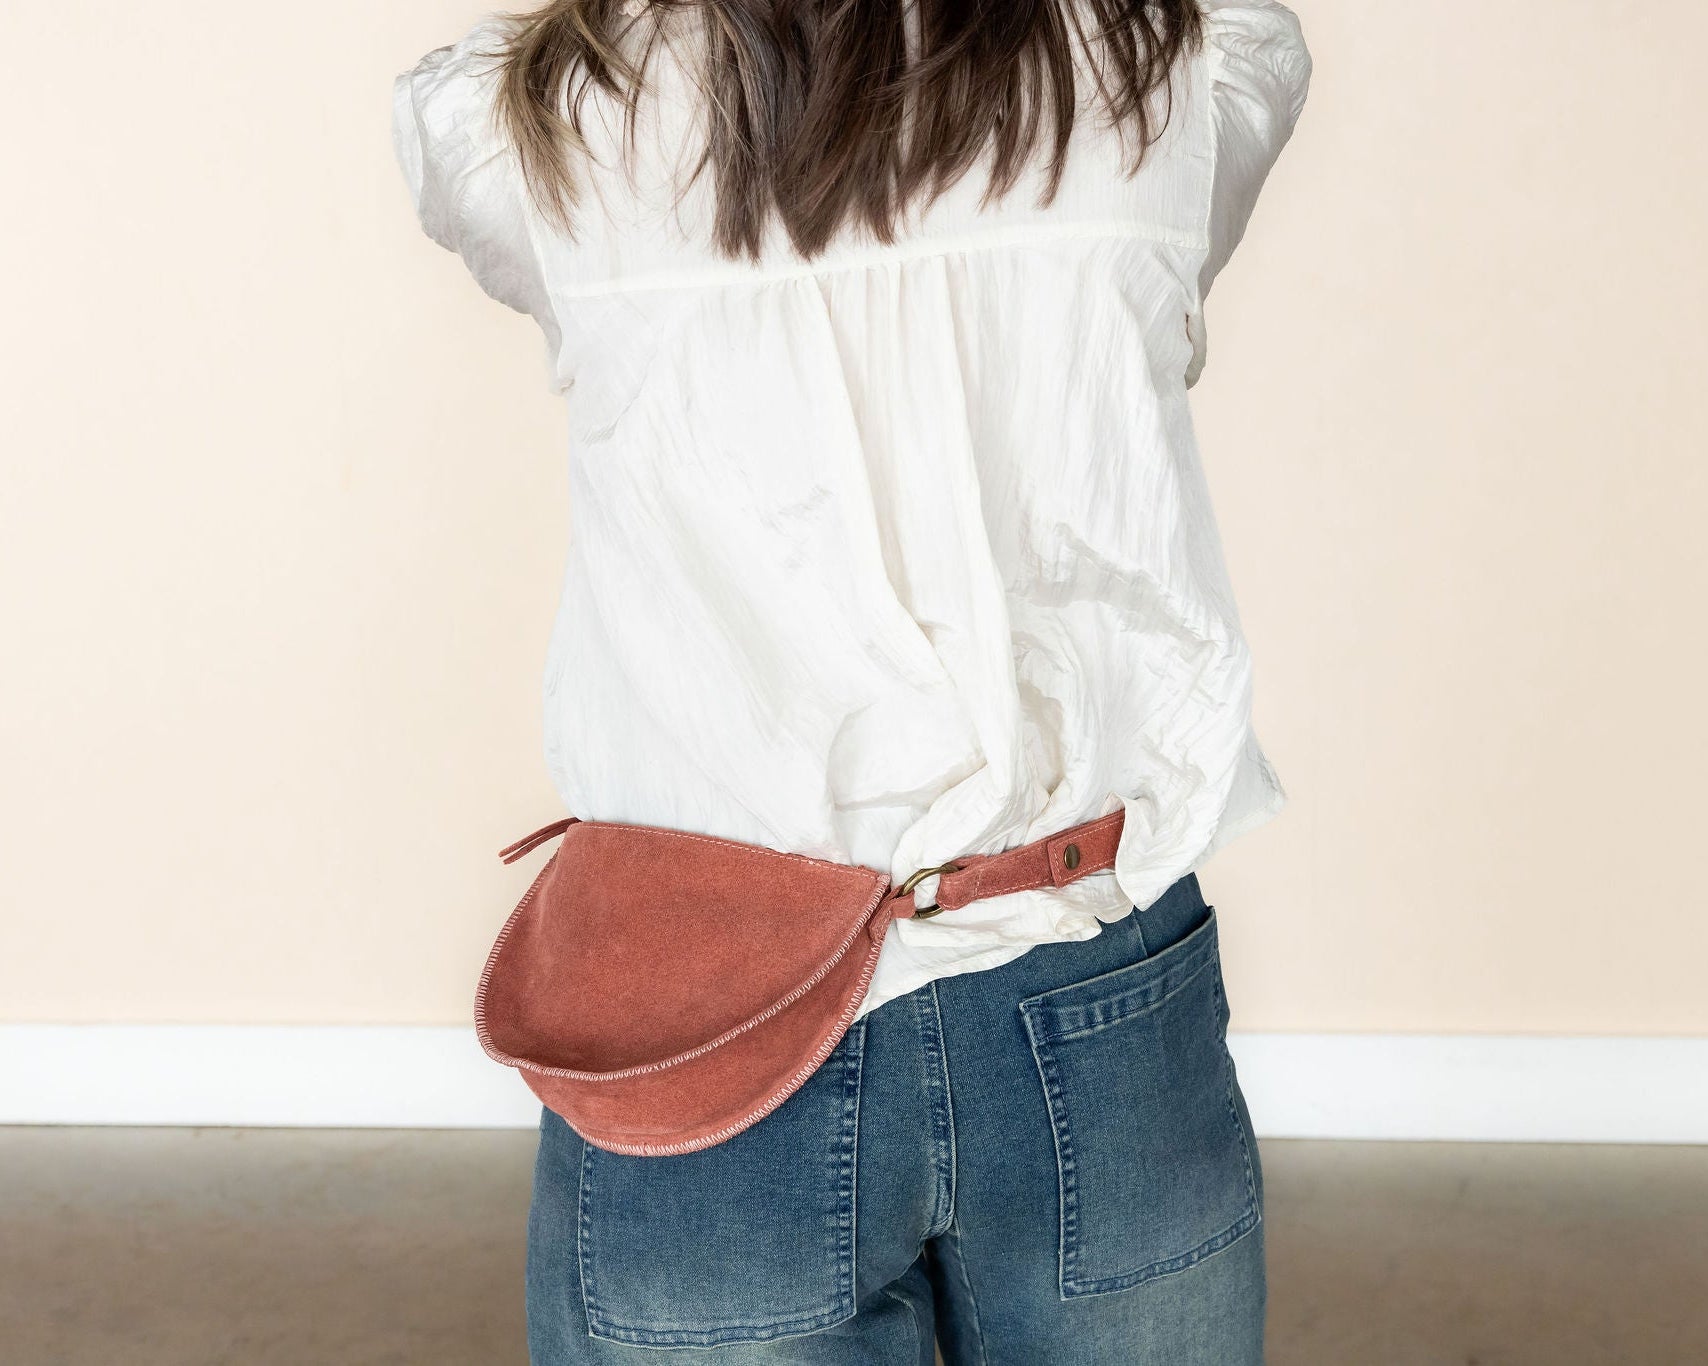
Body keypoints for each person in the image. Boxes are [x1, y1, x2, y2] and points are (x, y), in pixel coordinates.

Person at [391, 1, 1311, 1360]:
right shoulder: (1163, 76)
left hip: (702, 998)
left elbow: (456, 129)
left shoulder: (550, 123)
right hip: (1083, 965)